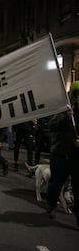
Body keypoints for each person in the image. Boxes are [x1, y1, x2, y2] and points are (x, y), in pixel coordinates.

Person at [46, 95, 79, 226]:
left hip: (77, 159)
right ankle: (52, 205)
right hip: (61, 156)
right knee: (56, 183)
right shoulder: (65, 111)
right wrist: (66, 117)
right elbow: (52, 126)